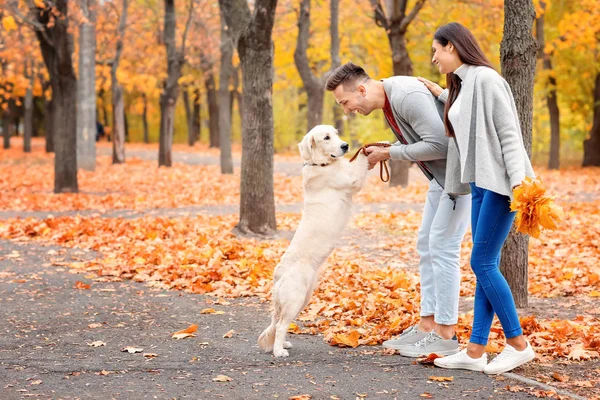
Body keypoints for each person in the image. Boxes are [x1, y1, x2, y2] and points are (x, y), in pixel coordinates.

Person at [325, 62, 471, 357]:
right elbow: (420, 139)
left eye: (345, 102)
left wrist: (390, 152)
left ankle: (446, 334)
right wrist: (388, 146)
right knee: (426, 246)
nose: (346, 110)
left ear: (362, 90)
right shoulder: (390, 100)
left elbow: (440, 145)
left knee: (443, 248)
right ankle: (427, 326)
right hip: (440, 179)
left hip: (460, 179)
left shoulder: (405, 95)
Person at [418, 22, 536, 374]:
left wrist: (519, 183)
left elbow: (508, 133)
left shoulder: (486, 79)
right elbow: (466, 118)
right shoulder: (463, 84)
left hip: (502, 185)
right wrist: (441, 93)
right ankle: (474, 352)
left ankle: (518, 344)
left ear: (452, 46)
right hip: (480, 185)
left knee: (481, 263)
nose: (434, 57)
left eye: (436, 50)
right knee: (486, 264)